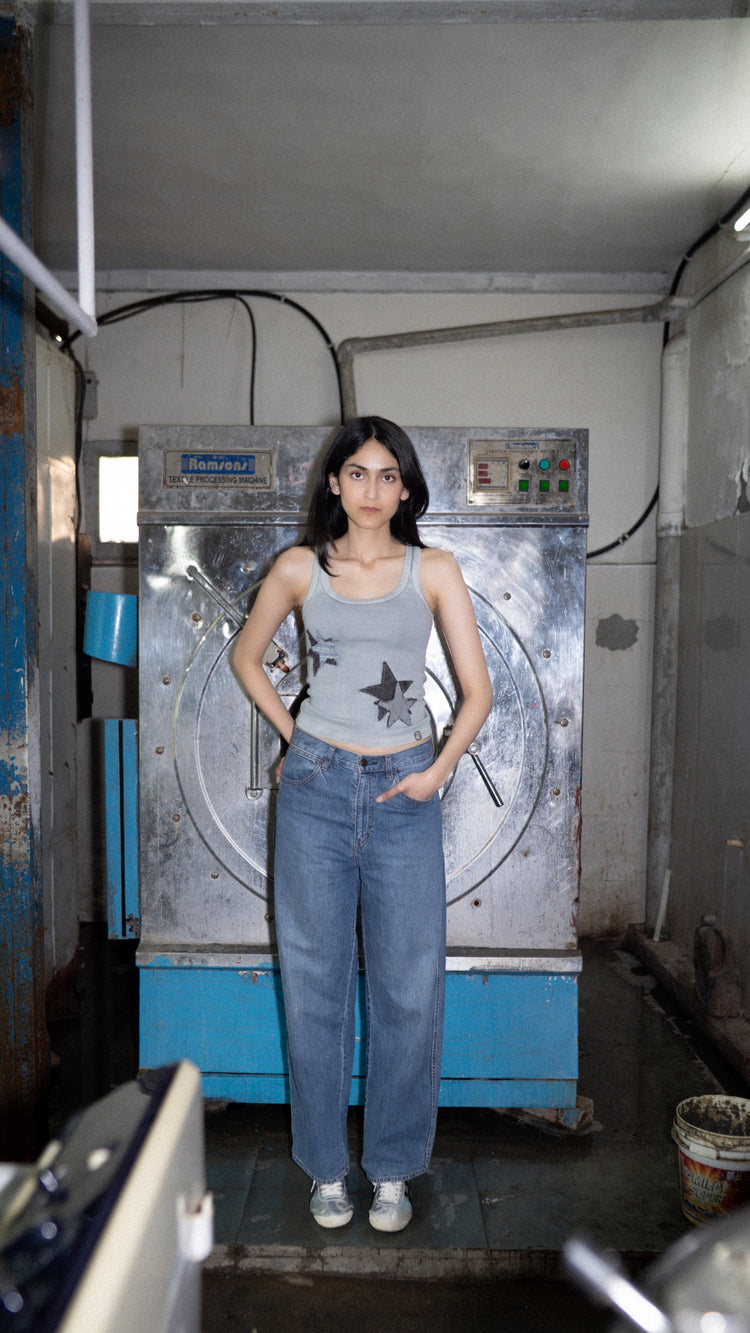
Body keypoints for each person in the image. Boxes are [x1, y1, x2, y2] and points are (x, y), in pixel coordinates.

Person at [233, 415, 492, 1233]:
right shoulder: (301, 568)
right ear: (334, 483)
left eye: (389, 475)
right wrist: (293, 737)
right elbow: (248, 655)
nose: (373, 489)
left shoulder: (435, 570)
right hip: (313, 786)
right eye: (358, 473)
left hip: (403, 793)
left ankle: (392, 1169)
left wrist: (436, 773)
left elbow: (477, 691)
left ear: (405, 488)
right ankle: (324, 1169)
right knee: (311, 985)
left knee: (408, 989)